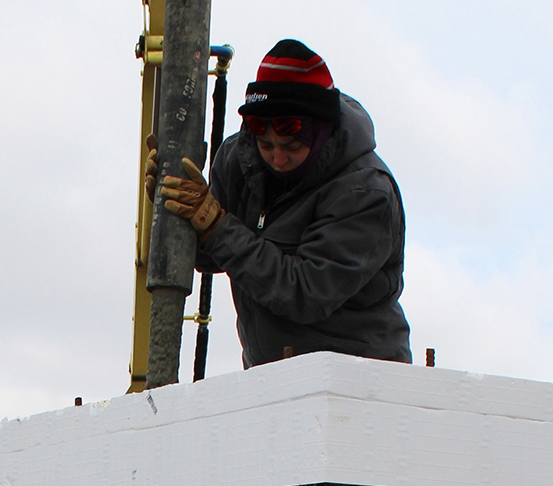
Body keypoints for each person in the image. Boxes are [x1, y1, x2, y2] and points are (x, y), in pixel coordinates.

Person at [148, 39, 411, 368]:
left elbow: (305, 293)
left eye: (291, 145)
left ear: (321, 132)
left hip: (358, 380)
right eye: (266, 144)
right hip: (271, 374)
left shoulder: (364, 192)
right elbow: (213, 255)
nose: (277, 158)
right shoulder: (239, 160)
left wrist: (216, 225)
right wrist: (174, 206)